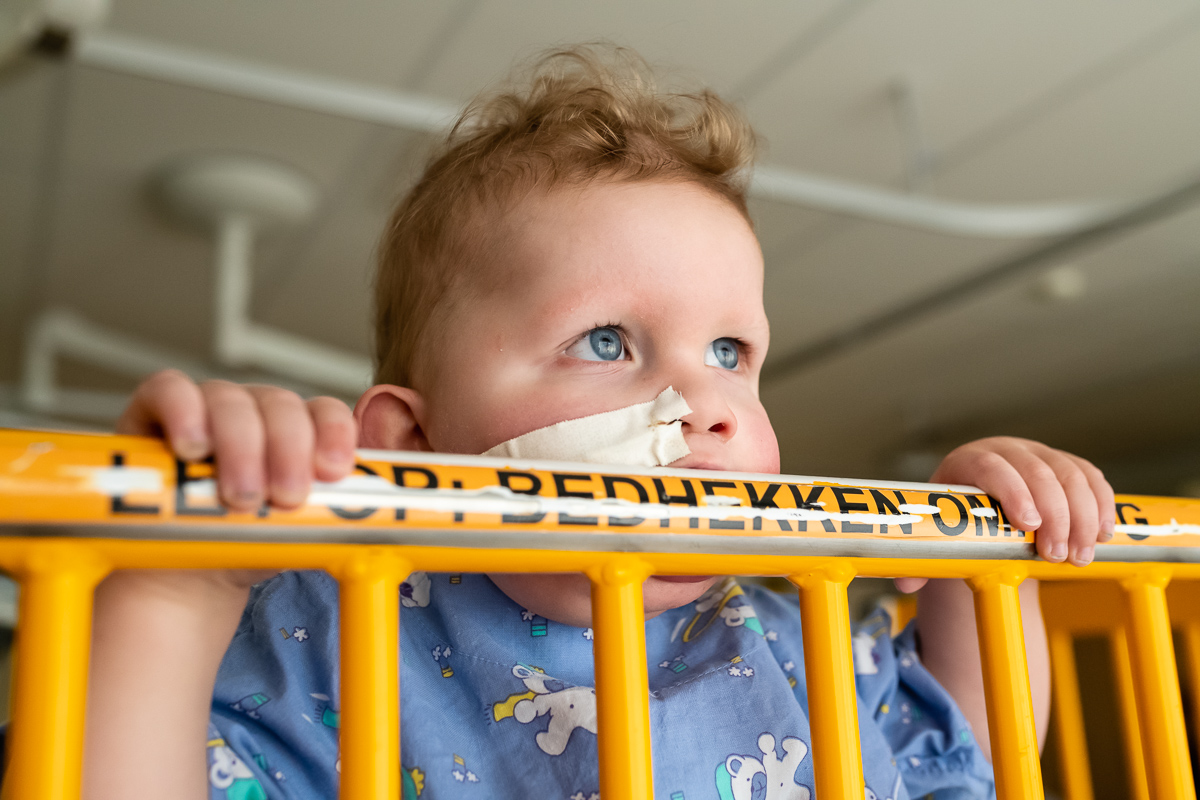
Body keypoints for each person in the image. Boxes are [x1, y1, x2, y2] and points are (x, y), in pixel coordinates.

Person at [81, 47, 1114, 799]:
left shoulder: (795, 626)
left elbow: (970, 758)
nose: (705, 405)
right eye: (610, 341)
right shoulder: (332, 636)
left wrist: (997, 549)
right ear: (407, 443)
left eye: (730, 354)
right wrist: (178, 584)